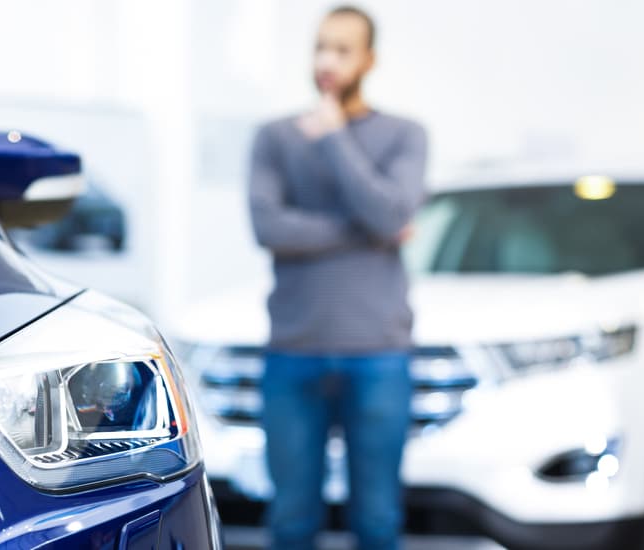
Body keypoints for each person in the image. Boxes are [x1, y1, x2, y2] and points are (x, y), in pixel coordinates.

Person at [247, 5, 428, 549]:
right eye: (320, 47)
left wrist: (333, 136)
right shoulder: (275, 136)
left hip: (378, 354)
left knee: (377, 520)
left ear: (369, 60)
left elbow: (391, 214)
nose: (327, 61)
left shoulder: (405, 135)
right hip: (292, 352)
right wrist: (368, 230)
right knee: (291, 520)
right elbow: (269, 227)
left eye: (343, 50)